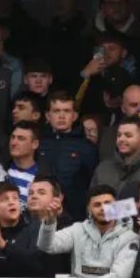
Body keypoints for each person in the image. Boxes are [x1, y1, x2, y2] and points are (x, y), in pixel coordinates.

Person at [37, 184, 139, 278]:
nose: (102, 208)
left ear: (117, 207)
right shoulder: (77, 229)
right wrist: (50, 221)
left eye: (108, 203)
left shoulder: (130, 237)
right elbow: (47, 246)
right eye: (97, 205)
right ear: (89, 209)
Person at [38, 91, 98, 220]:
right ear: (48, 116)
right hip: (39, 214)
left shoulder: (87, 147)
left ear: (75, 116)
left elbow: (92, 182)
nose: (61, 116)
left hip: (75, 217)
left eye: (66, 111)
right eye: (56, 111)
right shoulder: (37, 142)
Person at [6, 121, 39, 211]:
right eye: (13, 137)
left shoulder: (42, 176)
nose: (14, 142)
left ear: (34, 144)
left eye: (21, 138)